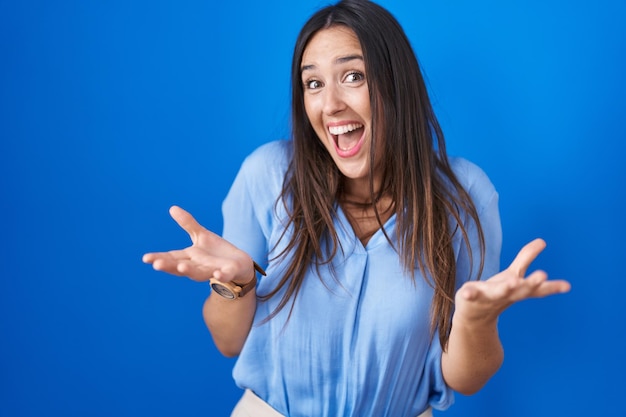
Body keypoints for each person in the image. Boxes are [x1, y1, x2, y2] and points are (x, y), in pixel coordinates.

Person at [143, 1, 571, 416]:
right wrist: (235, 285)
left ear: (395, 83)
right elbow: (228, 342)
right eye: (313, 83)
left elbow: (466, 378)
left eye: (353, 76)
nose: (330, 105)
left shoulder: (464, 194)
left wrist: (476, 321)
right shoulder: (267, 176)